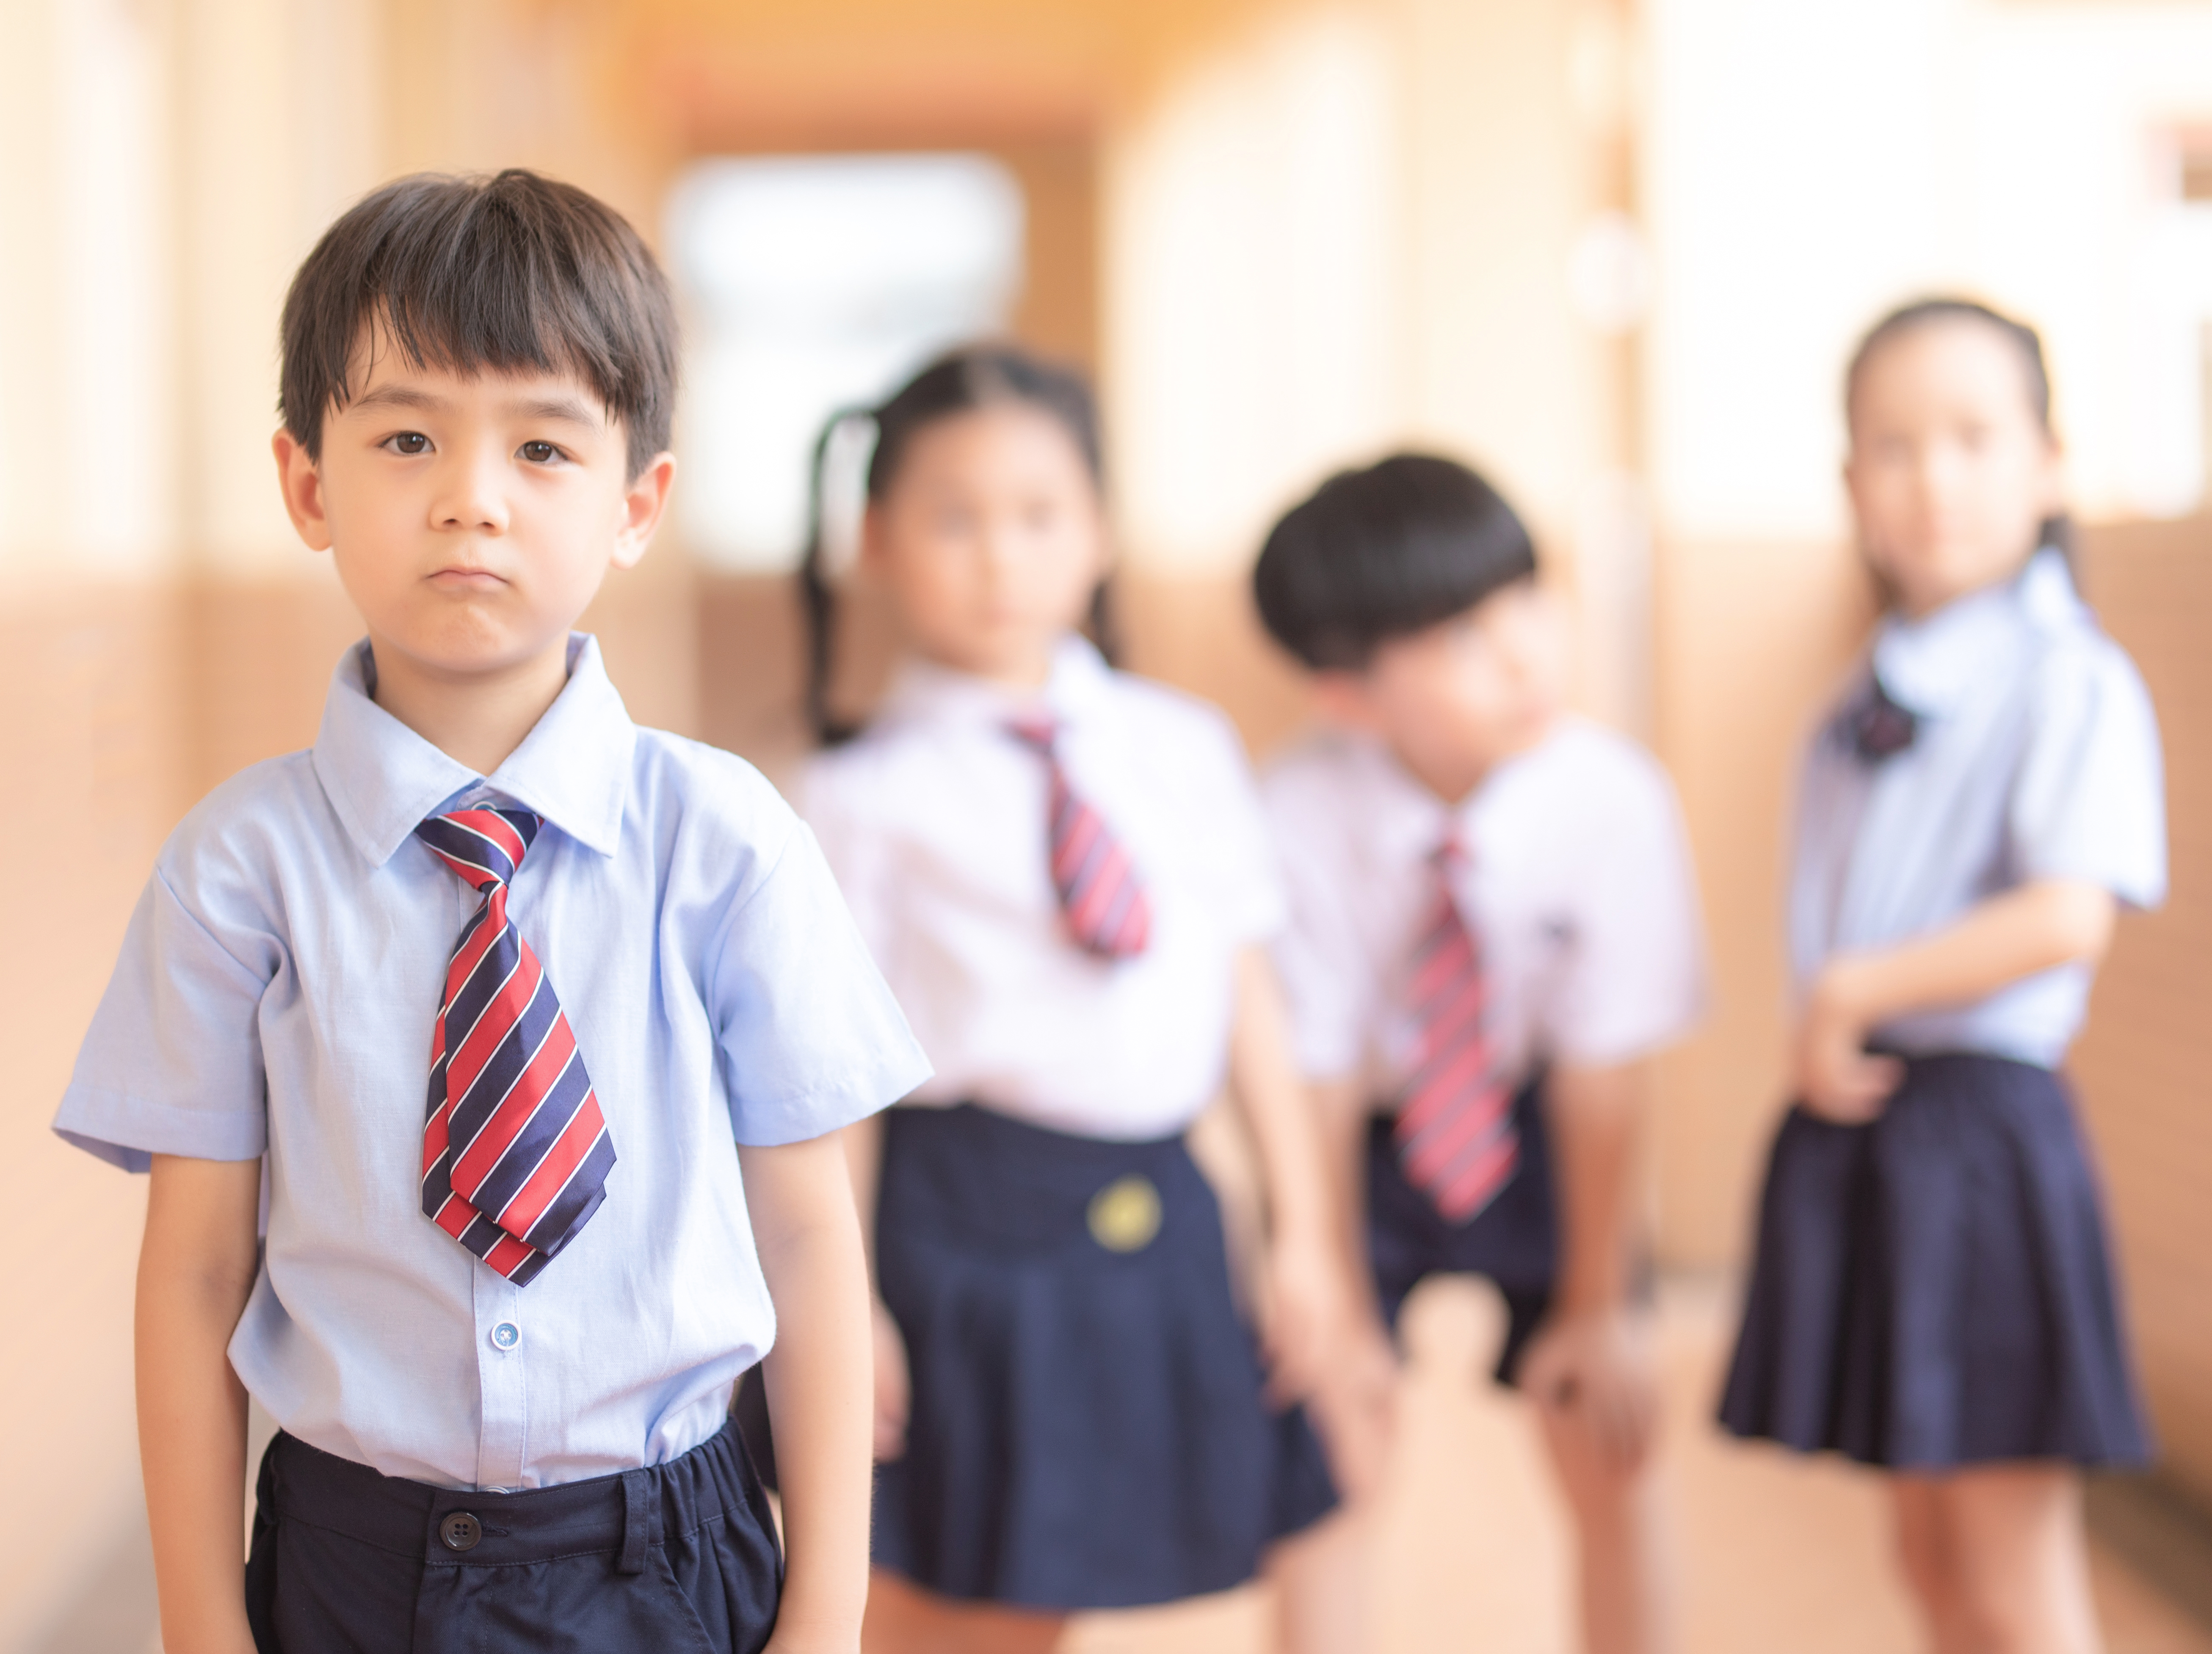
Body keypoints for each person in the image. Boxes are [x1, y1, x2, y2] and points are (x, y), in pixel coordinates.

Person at [53, 170, 931, 1654]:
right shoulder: (239, 871)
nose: (473, 495)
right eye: (407, 437)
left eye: (541, 444)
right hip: (351, 1560)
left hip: (668, 1549)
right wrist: (200, 1624)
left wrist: (828, 1616)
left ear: (638, 502)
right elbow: (196, 1268)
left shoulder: (723, 845)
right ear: (308, 484)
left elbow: (807, 1236)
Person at [789, 344, 1348, 1654]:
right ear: (877, 540)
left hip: (1159, 1211)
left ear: (1097, 534)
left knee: (1073, 1581)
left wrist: (1303, 1227)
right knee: (956, 1597)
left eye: (1039, 516)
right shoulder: (859, 798)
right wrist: (845, 1298)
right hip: (959, 1226)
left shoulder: (1180, 745)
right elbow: (837, 1074)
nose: (1000, 557)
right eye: (953, 519)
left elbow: (1245, 997)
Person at [1718, 299, 2161, 1654]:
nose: (1936, 479)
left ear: (2050, 462)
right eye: (1895, 447)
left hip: (1981, 1138)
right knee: (1924, 1550)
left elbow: (2068, 915)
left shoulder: (2065, 675)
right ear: (1852, 485)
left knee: (2013, 1563)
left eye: (1975, 437)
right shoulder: (1859, 690)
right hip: (1880, 1130)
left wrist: (1850, 991)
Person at [1248, 452, 1705, 1654]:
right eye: (1460, 635)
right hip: (1379, 1137)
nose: (1523, 655)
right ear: (1346, 692)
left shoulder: (1612, 800)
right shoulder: (1294, 813)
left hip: (1545, 1124)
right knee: (1327, 1444)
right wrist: (1335, 1300)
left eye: (1526, 601)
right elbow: (1319, 1078)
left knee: (1612, 1438)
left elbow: (1606, 1075)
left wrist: (1600, 1306)